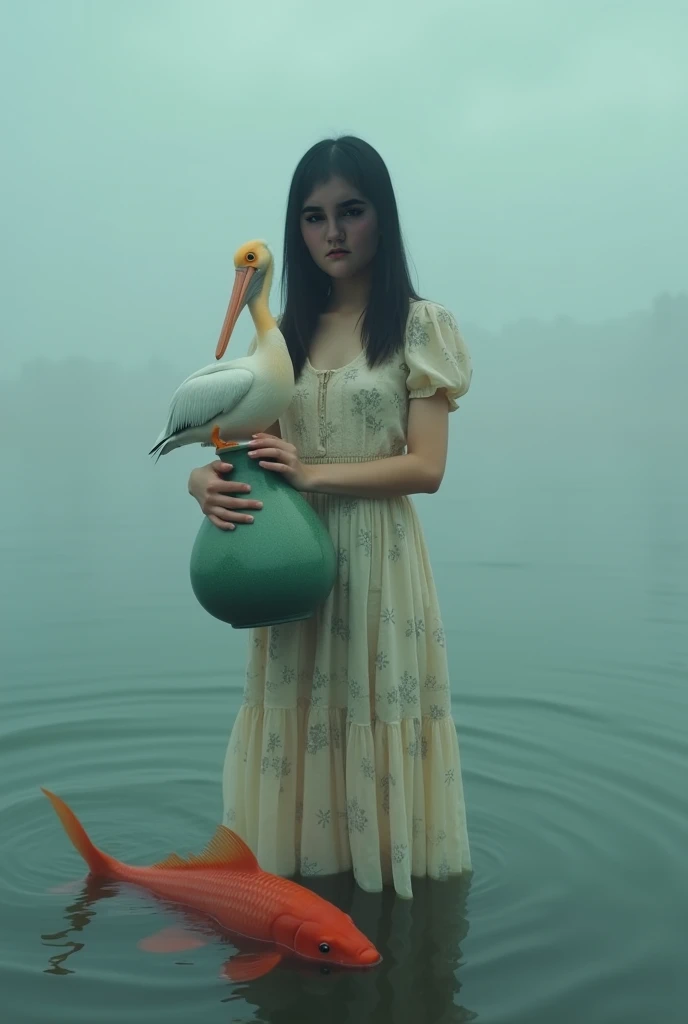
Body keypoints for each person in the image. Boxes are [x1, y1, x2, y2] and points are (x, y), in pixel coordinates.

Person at [187, 136, 473, 899]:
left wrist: (314, 471)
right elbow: (254, 451)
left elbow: (427, 467)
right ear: (296, 231)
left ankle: (383, 897)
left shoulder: (420, 325)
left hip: (381, 560)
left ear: (381, 217)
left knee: (375, 714)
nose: (333, 233)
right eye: (313, 218)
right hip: (293, 560)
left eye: (351, 211)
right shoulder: (281, 337)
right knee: (298, 716)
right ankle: (295, 893)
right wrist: (199, 482)